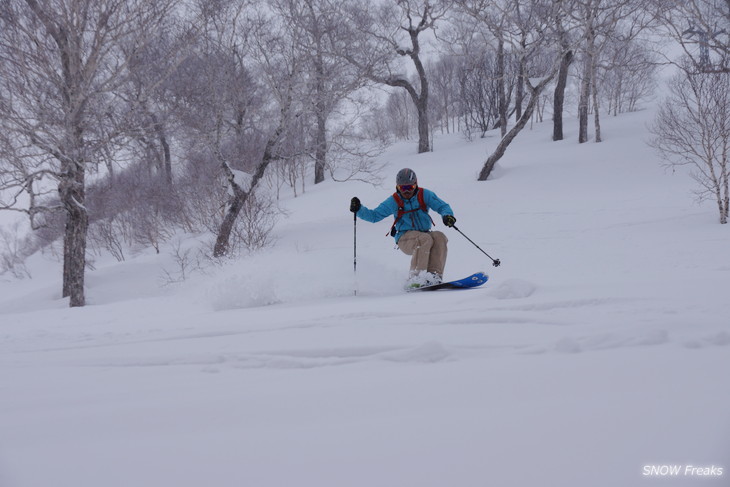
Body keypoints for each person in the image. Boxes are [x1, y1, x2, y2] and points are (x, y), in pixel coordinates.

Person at [350, 168, 457, 288]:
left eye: (409, 187)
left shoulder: (424, 194)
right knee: (425, 238)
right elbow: (374, 216)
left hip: (425, 234)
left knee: (439, 236)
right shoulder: (394, 200)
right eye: (403, 188)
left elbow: (442, 206)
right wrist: (359, 209)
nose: (406, 191)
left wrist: (447, 215)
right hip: (405, 238)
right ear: (397, 187)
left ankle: (434, 276)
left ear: (416, 185)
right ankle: (416, 278)